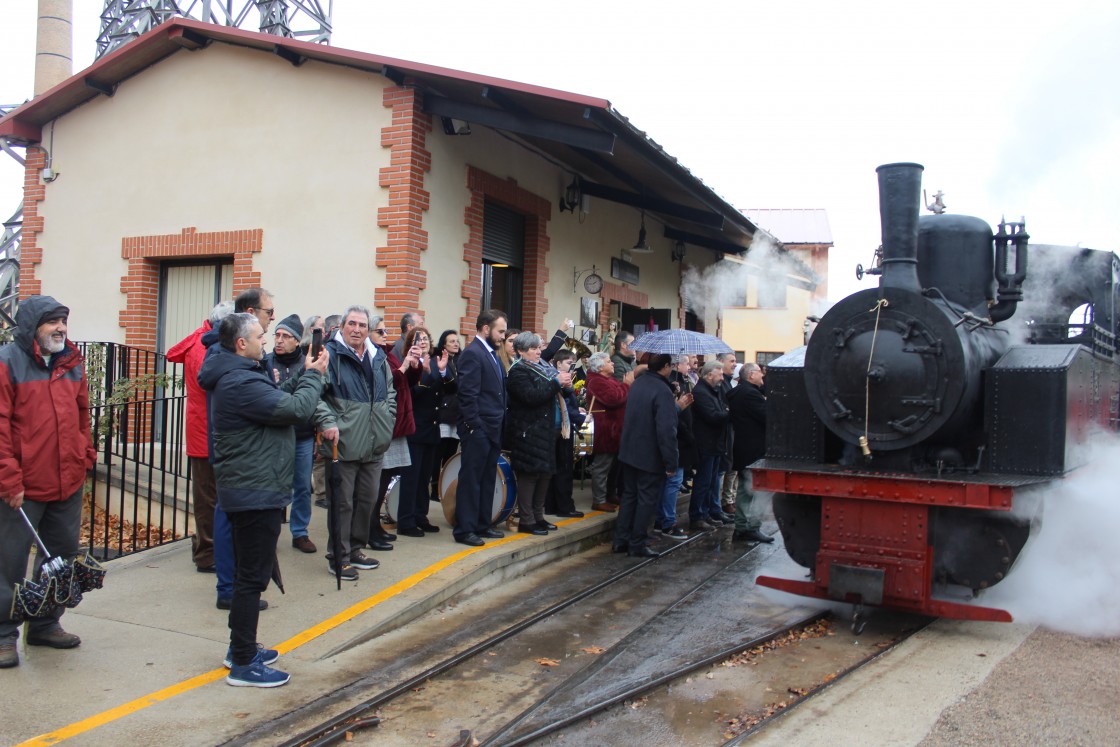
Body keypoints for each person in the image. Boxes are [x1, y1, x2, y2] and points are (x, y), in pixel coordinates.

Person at [198, 312, 327, 687]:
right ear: (241, 344)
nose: (266, 341)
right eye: (259, 335)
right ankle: (242, 662)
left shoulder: (238, 375)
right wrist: (315, 376)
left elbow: (277, 400)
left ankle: (241, 647)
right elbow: (297, 410)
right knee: (251, 578)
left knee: (248, 575)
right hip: (254, 491)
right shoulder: (238, 381)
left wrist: (303, 374)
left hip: (256, 487)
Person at [0, 296, 97, 669]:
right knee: (7, 563)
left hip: (67, 479)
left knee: (59, 556)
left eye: (63, 322)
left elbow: (82, 413)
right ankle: (4, 633)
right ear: (31, 328)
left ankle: (45, 622)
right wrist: (8, 479)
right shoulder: (8, 363)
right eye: (52, 322)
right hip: (22, 484)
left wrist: (85, 454)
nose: (61, 328)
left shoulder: (71, 363)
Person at [209, 288, 277, 610]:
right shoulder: (228, 365)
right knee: (228, 518)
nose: (270, 323)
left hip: (244, 455)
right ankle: (231, 589)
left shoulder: (241, 361)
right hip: (237, 457)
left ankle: (236, 586)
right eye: (268, 313)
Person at [316, 306, 396, 580]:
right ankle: (338, 556)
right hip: (344, 443)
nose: (357, 329)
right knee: (342, 504)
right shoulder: (329, 354)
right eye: (352, 323)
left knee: (367, 499)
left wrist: (388, 418)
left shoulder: (378, 357)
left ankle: (356, 549)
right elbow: (314, 394)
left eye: (362, 325)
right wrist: (327, 421)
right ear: (341, 325)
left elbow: (390, 392)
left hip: (374, 443)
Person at [166, 300, 234, 573]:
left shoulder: (201, 341)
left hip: (206, 428)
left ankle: (210, 549)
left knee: (211, 495)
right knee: (208, 498)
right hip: (206, 430)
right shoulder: (204, 347)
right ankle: (206, 553)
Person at [505, 332, 571, 535]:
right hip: (528, 430)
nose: (538, 351)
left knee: (545, 473)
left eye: (538, 347)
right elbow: (532, 396)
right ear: (522, 351)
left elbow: (556, 391)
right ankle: (526, 520)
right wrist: (556, 383)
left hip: (546, 429)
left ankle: (538, 516)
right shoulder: (518, 371)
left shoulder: (543, 366)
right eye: (533, 348)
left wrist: (565, 385)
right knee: (530, 475)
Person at [612, 353, 678, 557]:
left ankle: (620, 540)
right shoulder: (662, 390)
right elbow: (666, 430)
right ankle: (637, 543)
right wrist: (671, 462)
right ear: (665, 367)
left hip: (629, 451)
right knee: (646, 500)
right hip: (649, 455)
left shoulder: (639, 384)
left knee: (630, 497)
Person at [453, 309, 509, 547]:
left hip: (493, 428)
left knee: (487, 478)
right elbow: (467, 395)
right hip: (479, 429)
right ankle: (465, 529)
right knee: (471, 480)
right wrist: (476, 426)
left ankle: (482, 524)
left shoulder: (493, 354)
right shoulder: (473, 353)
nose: (503, 337)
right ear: (486, 328)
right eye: (501, 331)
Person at [265, 314, 316, 554]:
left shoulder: (305, 363)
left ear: (297, 341)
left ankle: (300, 532)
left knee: (302, 486)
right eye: (277, 335)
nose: (279, 340)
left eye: (286, 336)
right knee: (273, 486)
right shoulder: (265, 363)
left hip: (302, 435)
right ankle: (269, 532)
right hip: (274, 437)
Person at [369, 317, 421, 548]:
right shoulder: (373, 355)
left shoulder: (386, 352)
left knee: (387, 476)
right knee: (377, 480)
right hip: (383, 424)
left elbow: (405, 383)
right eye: (379, 330)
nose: (384, 334)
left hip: (396, 422)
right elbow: (388, 384)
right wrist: (404, 366)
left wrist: (413, 366)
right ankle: (369, 528)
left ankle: (375, 526)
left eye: (385, 330)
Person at [396, 326, 448, 537]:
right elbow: (412, 393)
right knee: (412, 478)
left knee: (424, 477)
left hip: (432, 428)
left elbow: (448, 390)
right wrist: (425, 374)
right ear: (410, 343)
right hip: (416, 428)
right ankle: (406, 521)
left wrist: (443, 372)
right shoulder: (409, 364)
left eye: (426, 338)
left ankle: (420, 516)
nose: (424, 341)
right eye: (419, 338)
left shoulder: (436, 362)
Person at [728, 363, 774, 543]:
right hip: (753, 449)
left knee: (744, 490)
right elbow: (767, 416)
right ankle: (751, 527)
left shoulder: (740, 392)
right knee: (757, 490)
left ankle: (741, 527)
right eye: (760, 373)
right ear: (751, 375)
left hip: (744, 447)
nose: (762, 376)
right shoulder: (750, 394)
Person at [585, 351, 632, 512]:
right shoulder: (596, 381)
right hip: (606, 430)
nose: (612, 363)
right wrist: (626, 385)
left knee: (614, 466)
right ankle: (598, 499)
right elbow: (614, 398)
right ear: (600, 366)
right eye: (609, 361)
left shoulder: (607, 379)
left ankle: (610, 494)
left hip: (615, 430)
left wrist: (624, 386)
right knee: (602, 466)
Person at [690, 361, 733, 530]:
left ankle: (706, 513)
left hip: (715, 443)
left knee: (710, 482)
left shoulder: (712, 391)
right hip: (706, 443)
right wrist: (728, 413)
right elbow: (713, 416)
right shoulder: (701, 392)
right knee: (703, 481)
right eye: (719, 374)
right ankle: (697, 515)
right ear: (709, 375)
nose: (722, 377)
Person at [656, 355, 695, 539]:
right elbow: (669, 416)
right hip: (676, 440)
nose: (688, 365)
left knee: (671, 482)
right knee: (672, 482)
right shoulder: (664, 386)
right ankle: (667, 522)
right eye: (685, 362)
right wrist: (678, 405)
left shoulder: (677, 382)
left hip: (680, 439)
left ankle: (662, 520)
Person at [544, 348, 585, 518]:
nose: (572, 367)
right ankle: (563, 506)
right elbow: (564, 405)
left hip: (560, 426)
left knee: (558, 468)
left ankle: (553, 505)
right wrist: (580, 418)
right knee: (563, 469)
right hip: (559, 428)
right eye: (569, 363)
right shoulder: (555, 378)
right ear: (558, 363)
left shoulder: (562, 379)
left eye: (573, 363)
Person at [431, 329, 461, 499]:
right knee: (438, 455)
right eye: (452, 341)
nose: (456, 344)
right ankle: (435, 489)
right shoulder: (439, 361)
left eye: (457, 341)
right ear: (443, 344)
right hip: (443, 414)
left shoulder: (460, 361)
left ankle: (445, 487)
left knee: (450, 455)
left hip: (456, 415)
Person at [311, 315, 337, 510]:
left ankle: (325, 492)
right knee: (321, 457)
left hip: (328, 416)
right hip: (320, 416)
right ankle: (321, 493)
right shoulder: (321, 351)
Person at [717, 352, 739, 515]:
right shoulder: (720, 384)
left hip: (729, 429)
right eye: (731, 361)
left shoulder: (727, 383)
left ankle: (725, 501)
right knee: (723, 469)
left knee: (731, 466)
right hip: (722, 432)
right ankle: (721, 502)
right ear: (721, 362)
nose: (734, 364)